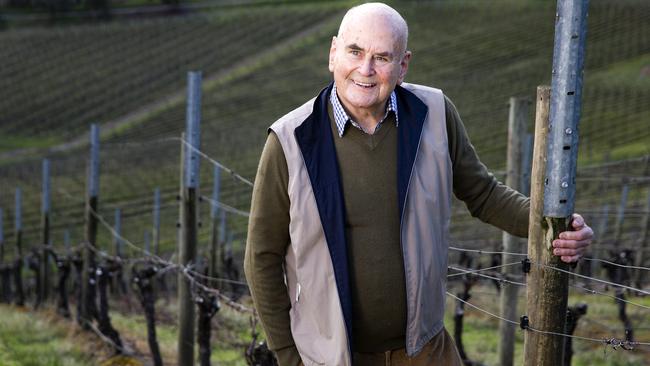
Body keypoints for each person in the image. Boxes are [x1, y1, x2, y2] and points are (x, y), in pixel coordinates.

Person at [244, 3, 593, 366]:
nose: (365, 70)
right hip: (331, 357)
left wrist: (556, 225)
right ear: (333, 53)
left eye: (382, 57)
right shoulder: (290, 140)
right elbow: (262, 257)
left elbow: (484, 194)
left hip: (425, 349)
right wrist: (288, 356)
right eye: (355, 52)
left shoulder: (435, 113)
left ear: (403, 65)